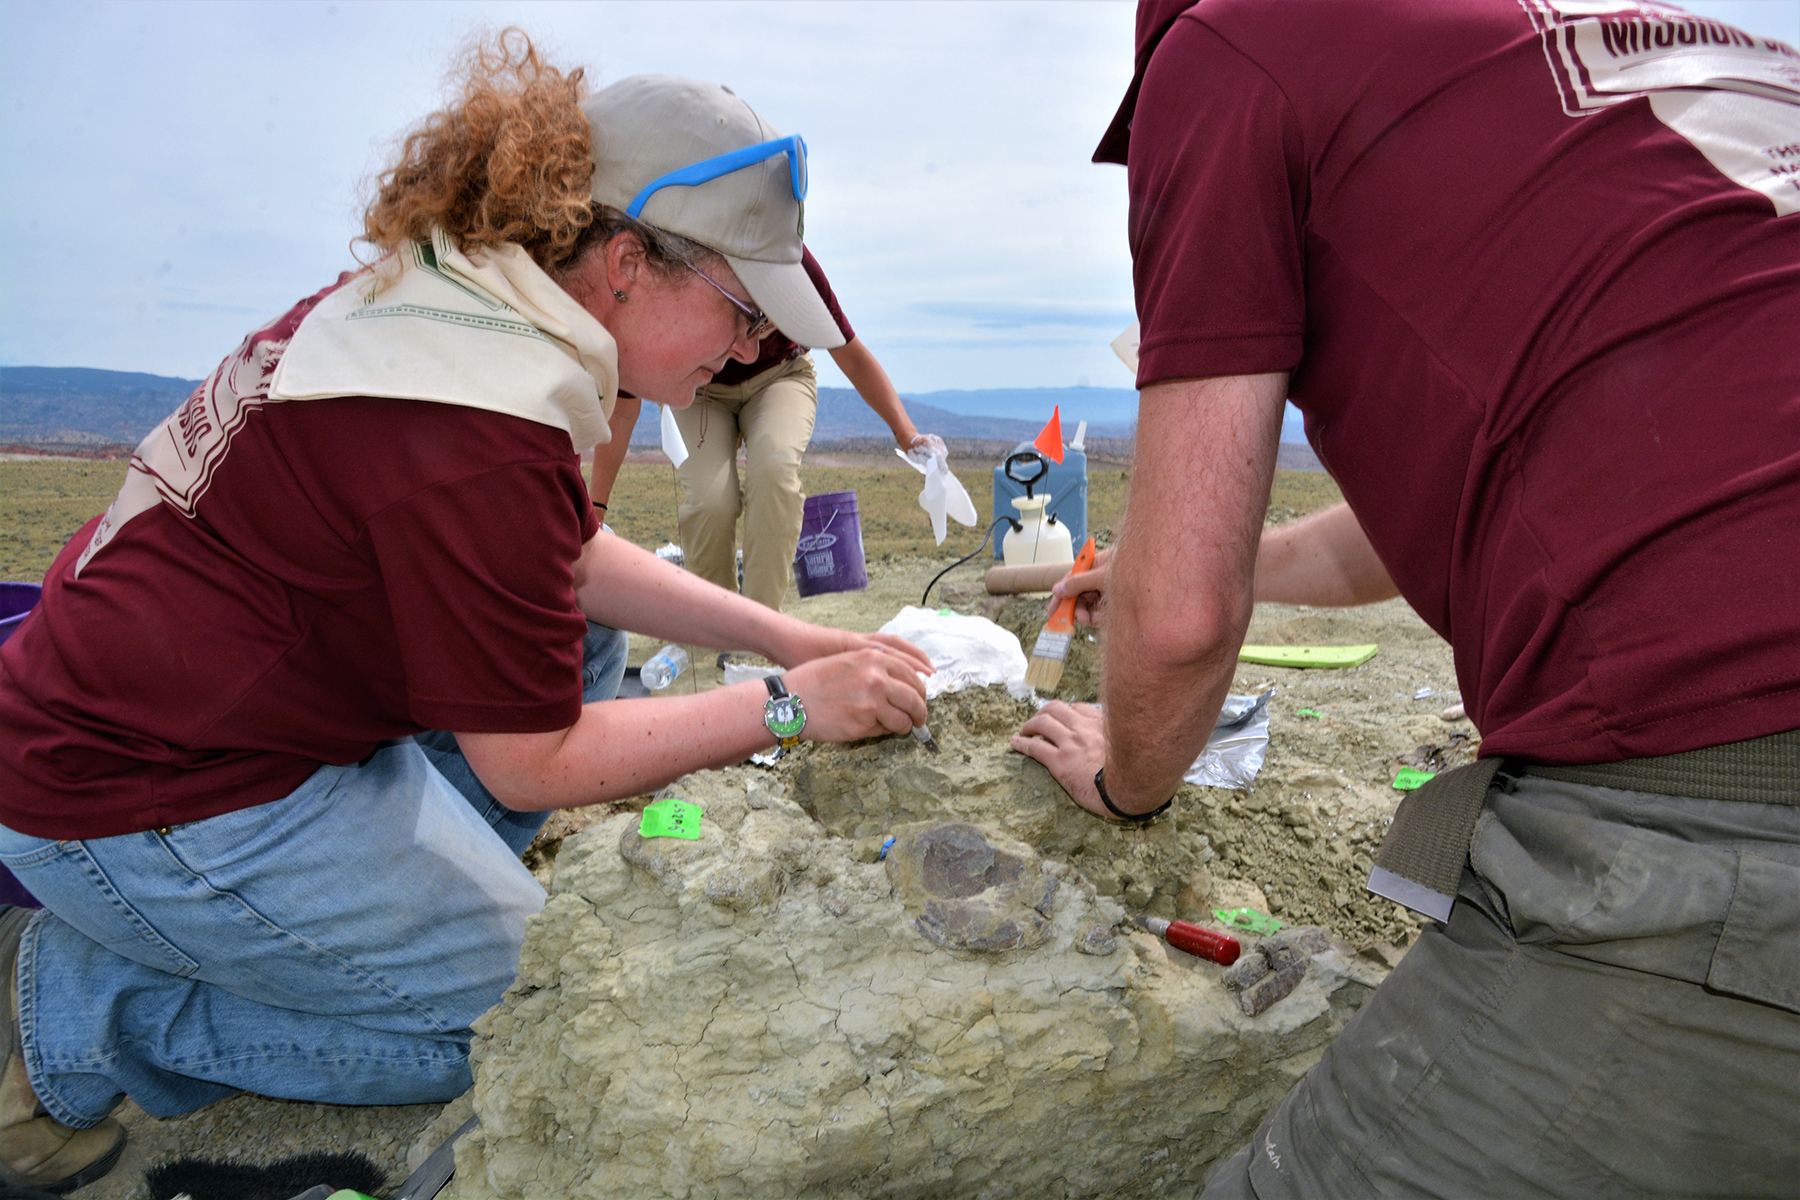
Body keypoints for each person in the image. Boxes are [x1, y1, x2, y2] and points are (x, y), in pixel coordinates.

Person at [0, 39, 934, 1194]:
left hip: (206, 717)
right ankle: (77, 1009)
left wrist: (782, 633)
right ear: (629, 261)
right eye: (744, 315)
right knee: (533, 1010)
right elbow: (535, 757)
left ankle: (353, 911)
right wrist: (791, 706)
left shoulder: (464, 308)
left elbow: (559, 554)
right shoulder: (473, 419)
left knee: (569, 636)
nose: (753, 352)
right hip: (153, 794)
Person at [1013, 1, 1799, 1196]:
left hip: (1720, 794)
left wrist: (1128, 782)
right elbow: (1390, 543)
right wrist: (1180, 563)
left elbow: (1179, 628)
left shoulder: (1232, 48)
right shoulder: (1620, 56)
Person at [590, 253, 934, 614]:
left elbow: (849, 351)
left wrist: (906, 434)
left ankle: (760, 628)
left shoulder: (789, 259)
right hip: (696, 390)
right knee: (711, 500)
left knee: (774, 471)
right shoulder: (675, 265)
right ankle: (715, 625)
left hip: (779, 375)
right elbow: (625, 402)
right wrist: (594, 509)